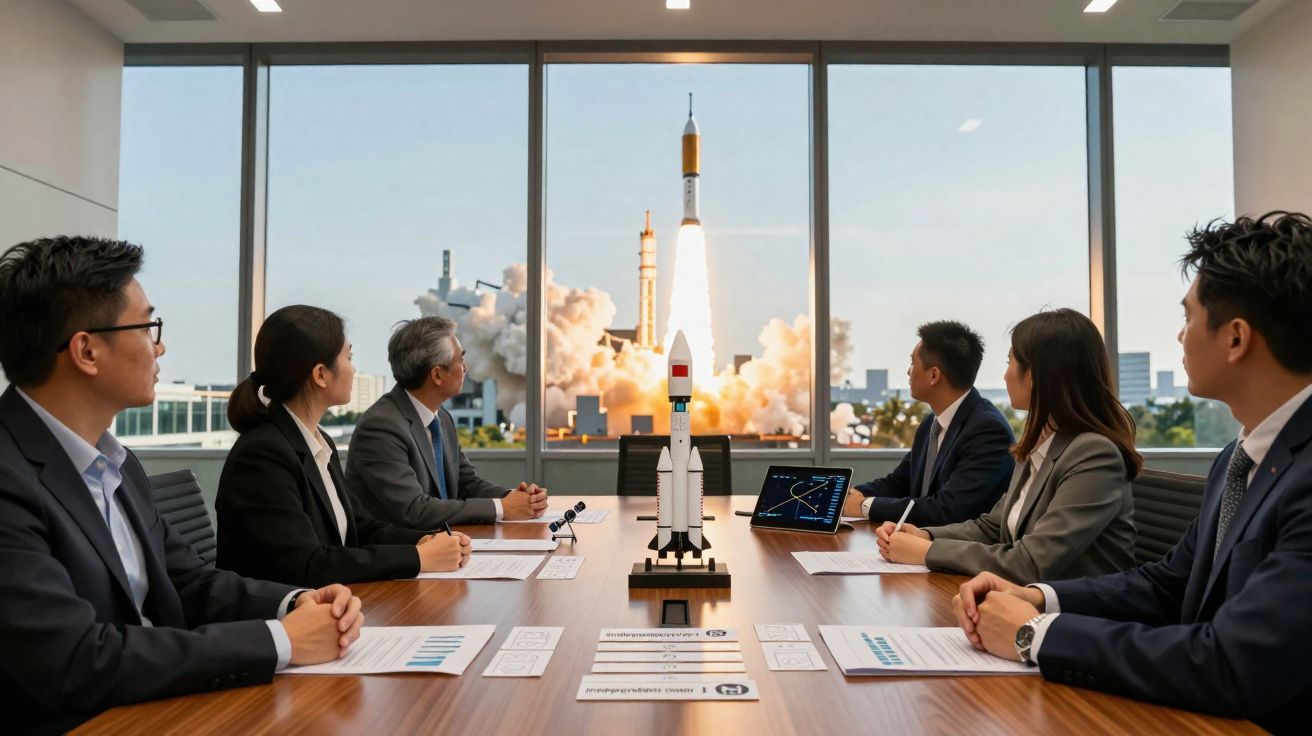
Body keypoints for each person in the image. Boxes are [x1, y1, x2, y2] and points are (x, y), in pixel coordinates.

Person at [951, 212, 1312, 733]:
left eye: (1188, 318)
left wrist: (1038, 635)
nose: (1180, 334)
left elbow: (1234, 663)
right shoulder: (1240, 458)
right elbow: (1170, 584)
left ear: (1236, 339)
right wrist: (1040, 597)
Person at [0, 237, 363, 734]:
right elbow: (75, 661)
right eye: (149, 326)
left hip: (164, 707)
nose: (160, 344)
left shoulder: (118, 465)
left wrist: (297, 603)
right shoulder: (8, 476)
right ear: (86, 350)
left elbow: (190, 582)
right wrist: (280, 640)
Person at [877, 309, 1139, 584]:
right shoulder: (1040, 446)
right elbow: (992, 528)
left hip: (1077, 617)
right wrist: (926, 535)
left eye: (1010, 362)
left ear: (1036, 374)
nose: (1005, 376)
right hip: (1024, 602)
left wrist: (929, 551)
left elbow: (1031, 562)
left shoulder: (1093, 454)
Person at [216, 306, 471, 588]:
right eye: (349, 357)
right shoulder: (263, 455)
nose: (354, 368)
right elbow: (308, 565)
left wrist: (424, 540)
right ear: (321, 375)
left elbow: (359, 526)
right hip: (281, 622)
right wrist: (417, 557)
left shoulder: (317, 441)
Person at [346, 317, 548, 527]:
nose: (465, 368)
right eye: (460, 360)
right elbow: (414, 510)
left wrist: (516, 498)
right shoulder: (381, 427)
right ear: (437, 375)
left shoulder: (441, 417)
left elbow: (466, 483)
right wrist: (503, 508)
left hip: (448, 544)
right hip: (403, 552)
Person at [841, 321, 1014, 526]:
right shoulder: (931, 423)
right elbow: (899, 483)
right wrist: (849, 495)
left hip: (955, 551)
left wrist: (865, 506)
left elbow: (948, 509)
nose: (908, 372)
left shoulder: (987, 430)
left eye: (912, 363)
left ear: (934, 375)